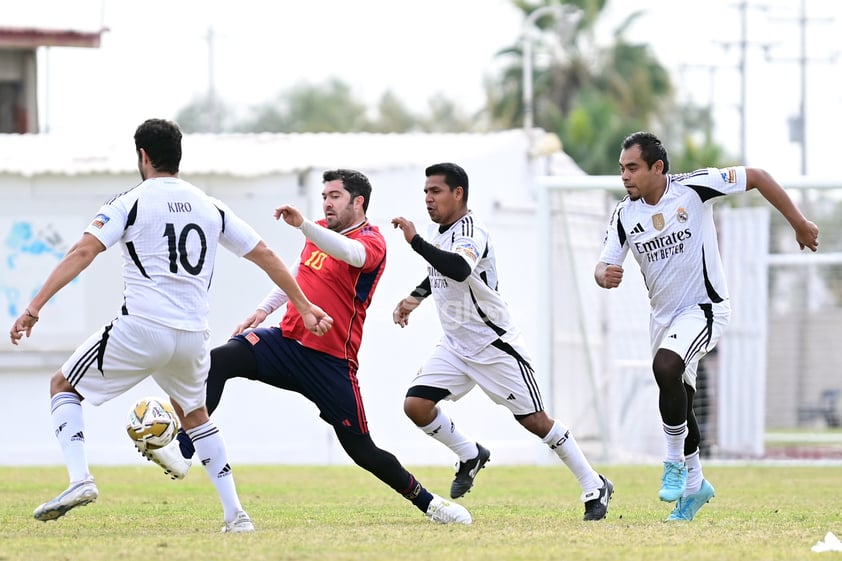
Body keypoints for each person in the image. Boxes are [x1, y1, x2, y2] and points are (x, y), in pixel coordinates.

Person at [8, 118, 333, 532]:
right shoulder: (210, 205)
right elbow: (265, 253)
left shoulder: (132, 201)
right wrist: (303, 306)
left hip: (143, 326)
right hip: (193, 335)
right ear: (179, 155)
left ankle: (79, 480)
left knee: (62, 385)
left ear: (143, 156)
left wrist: (34, 307)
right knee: (196, 416)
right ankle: (236, 515)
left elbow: (83, 251)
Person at [171, 168, 472, 525]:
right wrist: (261, 311)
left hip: (330, 362)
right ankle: (182, 450)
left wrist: (304, 226)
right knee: (218, 361)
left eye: (335, 196)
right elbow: (295, 278)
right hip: (285, 343)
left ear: (358, 203)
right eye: (325, 196)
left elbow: (351, 254)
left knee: (363, 451)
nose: (327, 203)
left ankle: (430, 504)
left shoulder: (372, 241)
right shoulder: (317, 232)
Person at [594, 131, 819, 521]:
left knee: (666, 366)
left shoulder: (693, 188)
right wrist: (604, 274)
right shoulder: (623, 214)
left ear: (657, 168)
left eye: (632, 168)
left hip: (705, 308)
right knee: (678, 395)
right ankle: (697, 485)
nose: (625, 176)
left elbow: (759, 176)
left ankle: (673, 463)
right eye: (621, 169)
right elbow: (603, 263)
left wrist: (799, 223)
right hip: (662, 317)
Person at [391, 162, 614, 521]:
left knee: (536, 422)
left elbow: (460, 268)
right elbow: (441, 273)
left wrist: (415, 241)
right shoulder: (443, 233)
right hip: (456, 346)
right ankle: (469, 454)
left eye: (436, 191)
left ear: (458, 193)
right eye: (426, 192)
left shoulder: (470, 230)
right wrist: (413, 299)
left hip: (494, 345)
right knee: (416, 405)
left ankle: (594, 484)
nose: (428, 199)